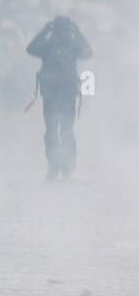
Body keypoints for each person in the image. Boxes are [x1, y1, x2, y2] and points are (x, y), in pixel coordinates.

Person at [27, 15, 92, 180]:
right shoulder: (72, 46)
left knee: (53, 132)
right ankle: (66, 168)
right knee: (66, 131)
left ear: (53, 29)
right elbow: (88, 51)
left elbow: (31, 48)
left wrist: (45, 30)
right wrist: (76, 31)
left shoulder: (48, 46)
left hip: (52, 96)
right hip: (66, 95)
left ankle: (55, 168)